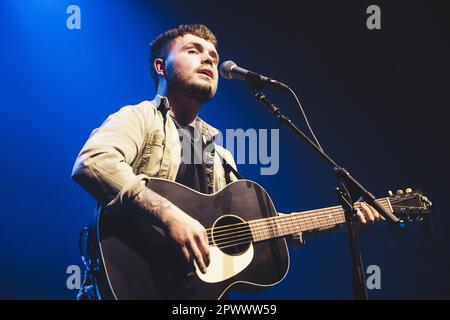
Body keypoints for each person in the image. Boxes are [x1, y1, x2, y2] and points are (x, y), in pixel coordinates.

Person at [71, 24, 383, 299]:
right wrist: (170, 217)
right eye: (193, 51)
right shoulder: (139, 118)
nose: (208, 58)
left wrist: (344, 219)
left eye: (213, 56)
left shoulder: (220, 155)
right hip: (132, 281)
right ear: (160, 67)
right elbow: (93, 163)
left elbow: (258, 229)